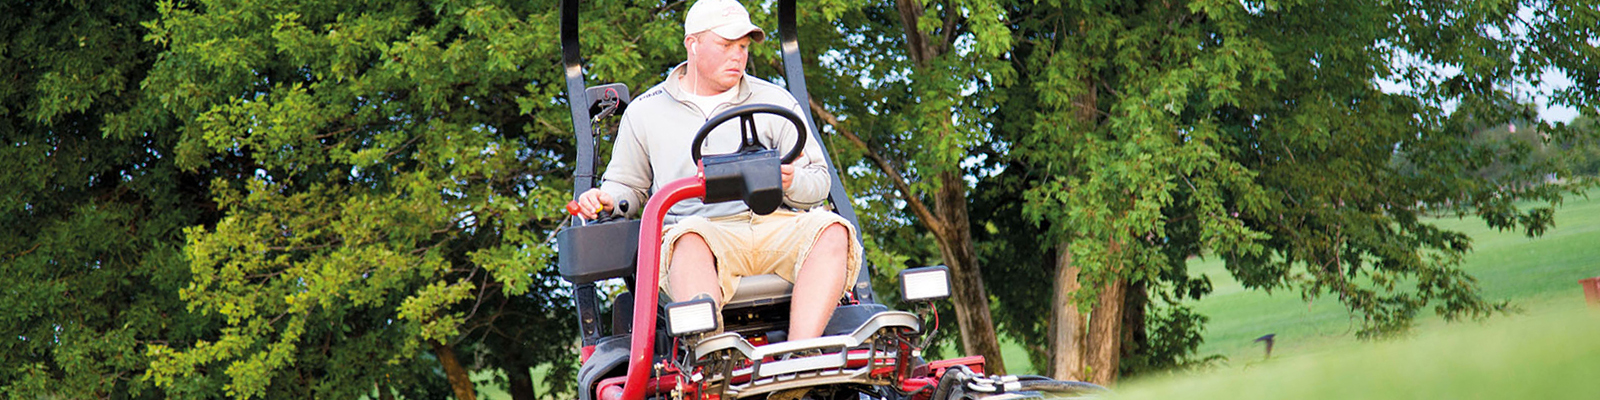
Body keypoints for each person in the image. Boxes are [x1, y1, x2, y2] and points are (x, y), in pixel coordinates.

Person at [573, 0, 860, 342]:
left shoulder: (776, 102)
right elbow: (627, 187)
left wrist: (792, 181)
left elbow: (818, 181)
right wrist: (606, 199)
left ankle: (800, 354)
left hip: (772, 226)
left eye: (742, 46)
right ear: (692, 44)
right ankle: (711, 355)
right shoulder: (646, 112)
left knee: (832, 229)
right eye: (725, 45)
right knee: (688, 238)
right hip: (700, 233)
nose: (737, 56)